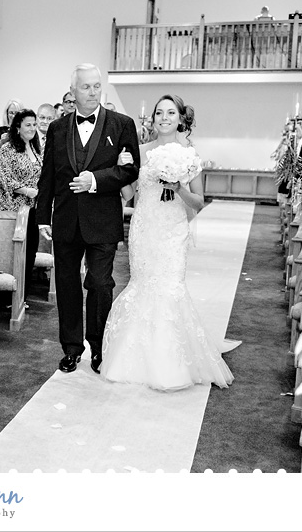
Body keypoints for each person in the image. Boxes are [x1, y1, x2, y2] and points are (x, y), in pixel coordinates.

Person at [101, 94, 240, 390]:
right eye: (159, 113)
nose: (164, 118)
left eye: (170, 113)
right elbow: (128, 194)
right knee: (143, 284)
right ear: (152, 118)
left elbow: (199, 202)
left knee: (169, 287)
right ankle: (134, 360)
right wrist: (119, 166)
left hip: (173, 229)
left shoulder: (190, 153)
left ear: (180, 118)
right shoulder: (140, 151)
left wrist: (178, 187)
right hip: (145, 226)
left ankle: (171, 364)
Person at [36, 63, 139, 374]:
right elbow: (48, 175)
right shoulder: (57, 128)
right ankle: (71, 348)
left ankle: (98, 346)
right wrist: (44, 215)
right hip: (66, 219)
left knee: (100, 283)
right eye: (86, 87)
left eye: (97, 86)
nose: (93, 92)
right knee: (67, 286)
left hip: (103, 220)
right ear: (72, 93)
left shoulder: (122, 124)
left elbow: (130, 169)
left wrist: (95, 181)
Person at [0, 109, 43, 298]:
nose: (33, 128)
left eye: (34, 124)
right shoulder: (8, 149)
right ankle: (10, 298)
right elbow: (2, 177)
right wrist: (25, 190)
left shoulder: (35, 148)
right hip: (15, 209)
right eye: (28, 124)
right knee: (17, 254)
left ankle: (23, 295)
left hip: (33, 209)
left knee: (30, 252)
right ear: (17, 127)